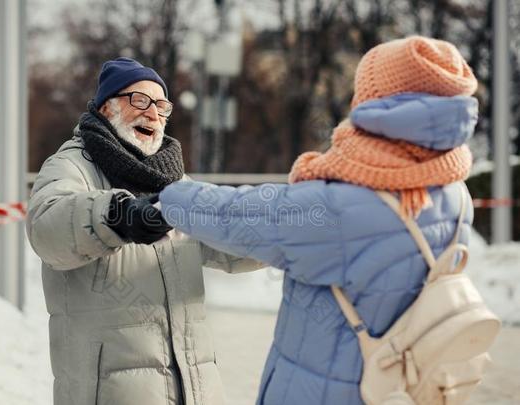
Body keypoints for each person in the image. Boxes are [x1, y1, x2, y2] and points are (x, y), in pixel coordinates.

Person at [158, 36, 479, 404]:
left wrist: (168, 196)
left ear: (378, 99)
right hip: (401, 384)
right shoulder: (452, 187)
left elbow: (239, 214)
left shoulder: (345, 205)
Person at [26, 57, 264, 405]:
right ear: (107, 106)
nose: (153, 113)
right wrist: (119, 216)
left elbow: (224, 235)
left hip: (194, 389)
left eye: (162, 105)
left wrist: (282, 235)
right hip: (111, 392)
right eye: (139, 100)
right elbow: (47, 228)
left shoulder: (174, 182)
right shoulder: (72, 165)